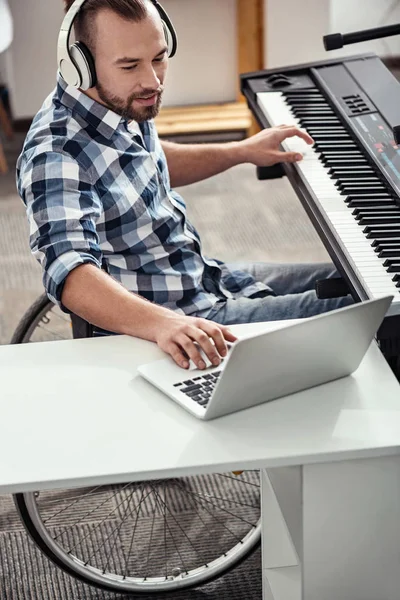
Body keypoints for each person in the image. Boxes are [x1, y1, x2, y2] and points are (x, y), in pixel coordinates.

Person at [17, 0, 351, 371]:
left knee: (359, 280)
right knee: (363, 312)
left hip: (204, 277)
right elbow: (71, 274)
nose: (152, 81)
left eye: (159, 58)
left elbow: (146, 163)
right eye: (129, 65)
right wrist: (165, 324)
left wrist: (240, 151)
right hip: (181, 320)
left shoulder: (119, 103)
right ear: (80, 65)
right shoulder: (56, 154)